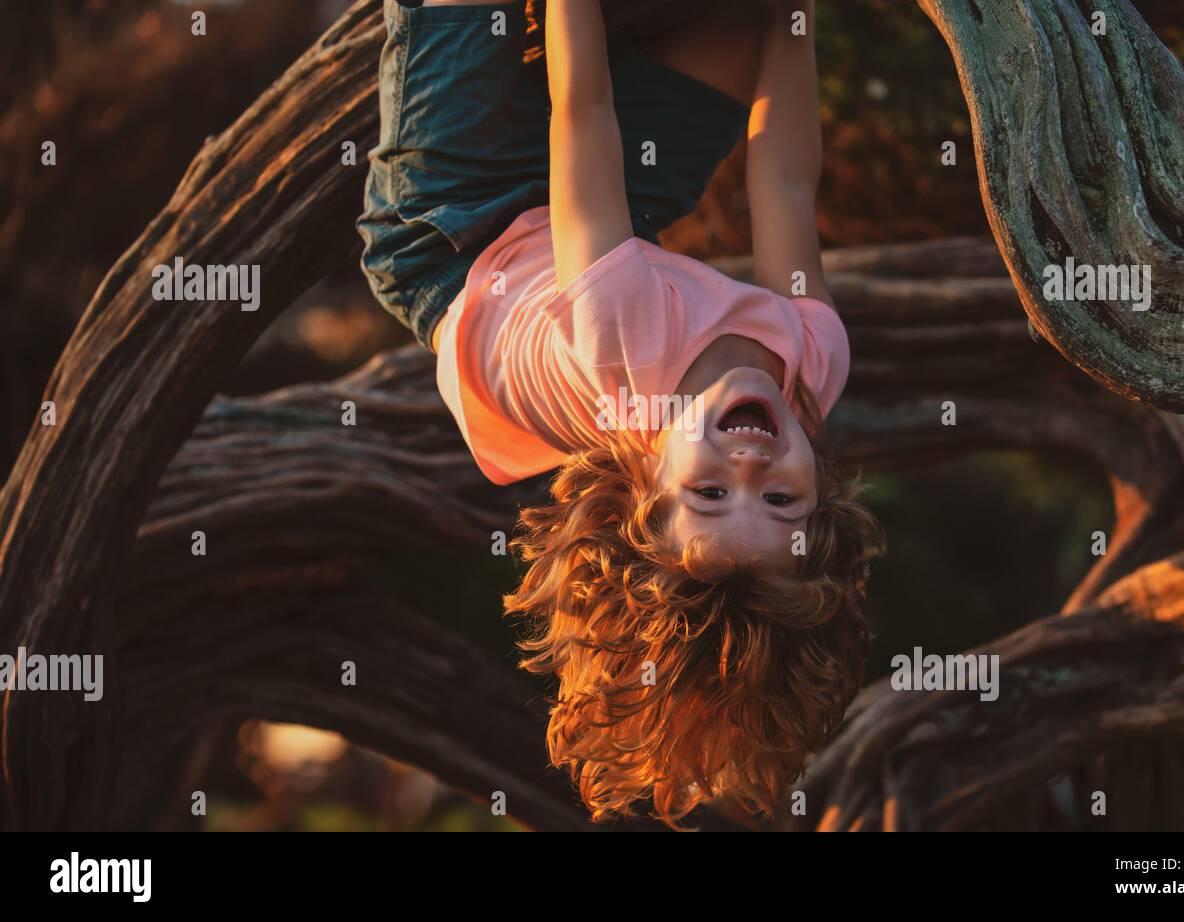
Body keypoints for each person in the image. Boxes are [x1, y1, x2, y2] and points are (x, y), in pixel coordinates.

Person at [358, 0, 884, 825]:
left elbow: (586, 110)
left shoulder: (622, 342)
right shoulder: (814, 363)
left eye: (710, 496)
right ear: (821, 500)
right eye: (780, 502)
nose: (749, 467)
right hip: (607, 218)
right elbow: (783, 177)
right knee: (754, 27)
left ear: (645, 483)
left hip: (452, 230)